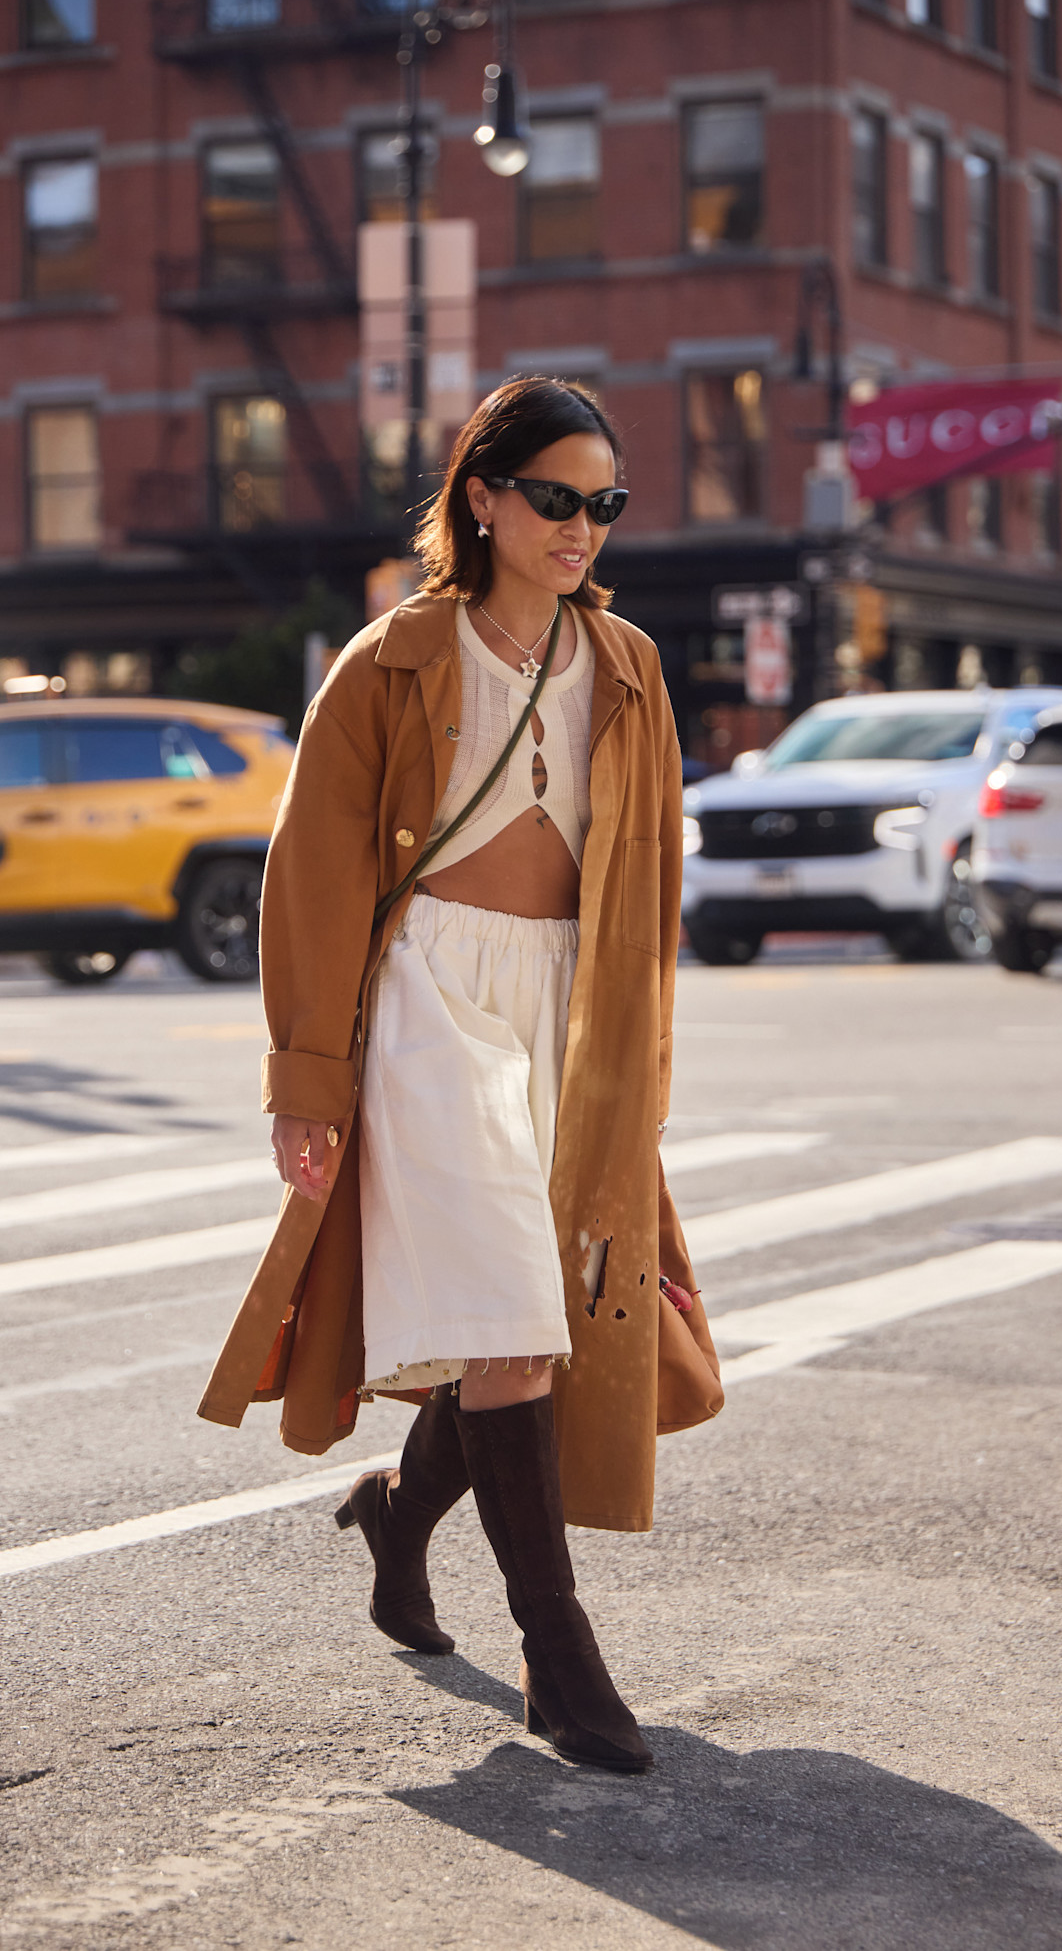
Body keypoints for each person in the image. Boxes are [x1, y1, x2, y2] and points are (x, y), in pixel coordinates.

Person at [198, 376, 723, 1776]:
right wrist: (304, 1081)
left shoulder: (629, 668)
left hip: (570, 1003)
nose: (580, 528)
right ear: (480, 498)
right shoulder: (389, 661)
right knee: (510, 1323)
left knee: (524, 1322)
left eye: (603, 504)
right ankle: (561, 1656)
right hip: (433, 991)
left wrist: (640, 1067)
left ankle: (396, 1512)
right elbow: (308, 876)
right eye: (553, 497)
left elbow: (652, 877)